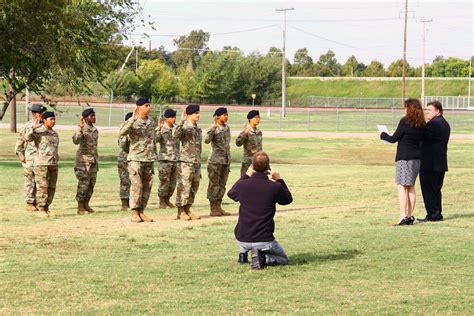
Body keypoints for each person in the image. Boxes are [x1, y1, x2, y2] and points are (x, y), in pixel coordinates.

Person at [227, 152, 293, 270]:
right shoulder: (274, 187)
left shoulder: (242, 185)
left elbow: (231, 194)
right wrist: (279, 179)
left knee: (246, 232)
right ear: (268, 167)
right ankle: (262, 258)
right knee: (284, 259)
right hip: (264, 240)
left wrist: (246, 175)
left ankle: (243, 254)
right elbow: (287, 200)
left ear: (252, 166)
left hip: (242, 237)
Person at [380, 98, 425, 225]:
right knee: (411, 186)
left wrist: (383, 135)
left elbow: (394, 138)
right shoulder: (422, 123)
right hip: (416, 158)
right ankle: (410, 215)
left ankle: (402, 215)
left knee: (401, 186)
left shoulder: (405, 121)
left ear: (409, 109)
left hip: (404, 158)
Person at [119, 98, 157, 223]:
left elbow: (153, 140)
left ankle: (142, 211)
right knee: (137, 186)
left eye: (149, 105)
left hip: (148, 158)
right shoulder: (133, 121)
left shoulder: (151, 122)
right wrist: (132, 120)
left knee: (147, 186)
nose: (149, 107)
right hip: (136, 158)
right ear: (139, 107)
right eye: (146, 105)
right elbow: (122, 132)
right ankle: (134, 212)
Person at [418, 100, 451, 222]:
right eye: (426, 109)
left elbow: (421, 138)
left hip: (430, 163)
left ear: (438, 111)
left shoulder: (432, 124)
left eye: (429, 110)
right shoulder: (445, 124)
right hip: (440, 163)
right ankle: (437, 213)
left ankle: (433, 214)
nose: (427, 112)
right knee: (436, 190)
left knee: (428, 190)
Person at [25, 111, 59, 217]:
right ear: (44, 120)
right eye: (51, 119)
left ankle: (47, 207)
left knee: (51, 187)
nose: (53, 121)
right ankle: (41, 208)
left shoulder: (54, 133)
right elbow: (28, 138)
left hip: (53, 163)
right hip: (41, 163)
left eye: (54, 119)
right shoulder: (39, 132)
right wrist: (33, 128)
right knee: (42, 187)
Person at [14, 103, 47, 212]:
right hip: (30, 157)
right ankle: (29, 202)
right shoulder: (28, 126)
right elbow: (20, 141)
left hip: (41, 158)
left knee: (40, 180)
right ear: (33, 113)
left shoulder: (45, 125)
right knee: (29, 180)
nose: (41, 115)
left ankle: (38, 202)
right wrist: (20, 154)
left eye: (42, 113)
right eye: (39, 113)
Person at [173, 104, 202, 220]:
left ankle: (188, 209)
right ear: (189, 114)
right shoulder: (184, 126)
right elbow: (175, 136)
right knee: (184, 186)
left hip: (196, 161)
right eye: (196, 113)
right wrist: (181, 122)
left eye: (198, 113)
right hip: (186, 161)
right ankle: (181, 211)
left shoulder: (197, 128)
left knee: (194, 186)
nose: (198, 115)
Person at [205, 107, 231, 216]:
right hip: (215, 161)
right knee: (214, 185)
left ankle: (219, 206)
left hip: (225, 160)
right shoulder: (213, 128)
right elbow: (206, 140)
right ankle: (213, 208)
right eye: (224, 115)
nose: (226, 116)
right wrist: (212, 128)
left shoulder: (226, 128)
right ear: (218, 116)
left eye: (227, 114)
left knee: (222, 184)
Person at [72, 108, 99, 215]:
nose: (94, 117)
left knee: (91, 184)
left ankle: (86, 204)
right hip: (83, 162)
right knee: (83, 184)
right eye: (92, 116)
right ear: (85, 118)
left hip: (93, 161)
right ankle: (80, 207)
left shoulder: (95, 130)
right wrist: (80, 128)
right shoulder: (82, 129)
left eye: (94, 115)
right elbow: (75, 140)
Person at [156, 109, 179, 209]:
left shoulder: (176, 128)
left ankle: (168, 200)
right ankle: (162, 201)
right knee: (164, 182)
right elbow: (155, 140)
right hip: (165, 159)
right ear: (166, 118)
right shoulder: (162, 129)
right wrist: (158, 129)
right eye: (171, 117)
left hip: (175, 159)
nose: (173, 119)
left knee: (172, 182)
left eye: (174, 117)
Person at [235, 110, 262, 176]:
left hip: (257, 162)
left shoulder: (259, 132)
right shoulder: (246, 130)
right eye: (256, 118)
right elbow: (238, 143)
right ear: (250, 119)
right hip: (248, 162)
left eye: (259, 117)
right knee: (245, 182)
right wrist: (244, 134)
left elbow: (259, 147)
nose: (258, 119)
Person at [117, 112, 132, 211]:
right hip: (125, 158)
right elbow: (122, 145)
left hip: (134, 158)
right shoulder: (123, 131)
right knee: (125, 182)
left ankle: (133, 202)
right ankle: (124, 204)